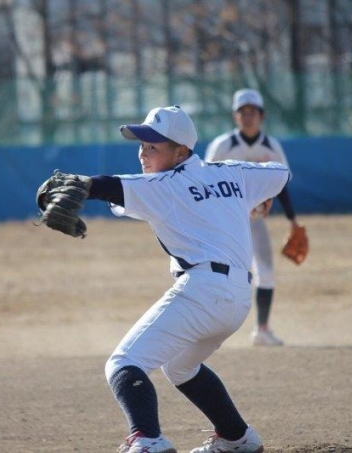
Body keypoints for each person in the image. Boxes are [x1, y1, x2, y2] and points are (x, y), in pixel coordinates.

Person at [37, 105, 289, 452]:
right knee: (181, 367)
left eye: (153, 146)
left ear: (181, 152)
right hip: (238, 299)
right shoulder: (231, 172)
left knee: (123, 363)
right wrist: (261, 196)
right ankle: (238, 438)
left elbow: (111, 186)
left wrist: (83, 184)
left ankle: (147, 439)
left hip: (204, 291)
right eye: (142, 145)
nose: (143, 153)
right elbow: (280, 173)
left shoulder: (164, 185)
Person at [204, 88, 301, 347]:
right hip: (223, 222)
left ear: (262, 116)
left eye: (253, 112)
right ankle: (207, 329)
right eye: (243, 112)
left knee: (266, 272)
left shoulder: (271, 147)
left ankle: (262, 330)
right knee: (215, 275)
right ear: (235, 116)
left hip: (254, 220)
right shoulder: (223, 146)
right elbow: (203, 183)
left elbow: (281, 184)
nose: (248, 117)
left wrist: (293, 221)